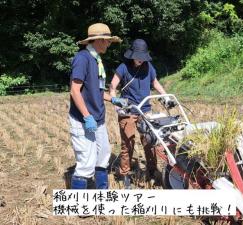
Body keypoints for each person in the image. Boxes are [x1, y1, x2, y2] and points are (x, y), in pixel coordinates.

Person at [69, 23, 127, 189]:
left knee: (103, 155)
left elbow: (97, 91)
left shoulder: (97, 60)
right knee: (86, 162)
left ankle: (102, 191)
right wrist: (87, 116)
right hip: (83, 119)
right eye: (107, 41)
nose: (109, 44)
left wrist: (113, 99)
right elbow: (75, 90)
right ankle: (78, 205)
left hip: (98, 118)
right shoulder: (82, 59)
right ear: (99, 40)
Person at [109, 39, 172, 189]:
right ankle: (125, 175)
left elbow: (155, 82)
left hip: (145, 110)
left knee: (150, 142)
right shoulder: (123, 67)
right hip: (129, 111)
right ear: (132, 55)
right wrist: (116, 104)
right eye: (138, 56)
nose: (140, 59)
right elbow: (112, 86)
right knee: (128, 144)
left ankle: (152, 171)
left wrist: (166, 95)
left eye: (142, 57)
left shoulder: (148, 67)